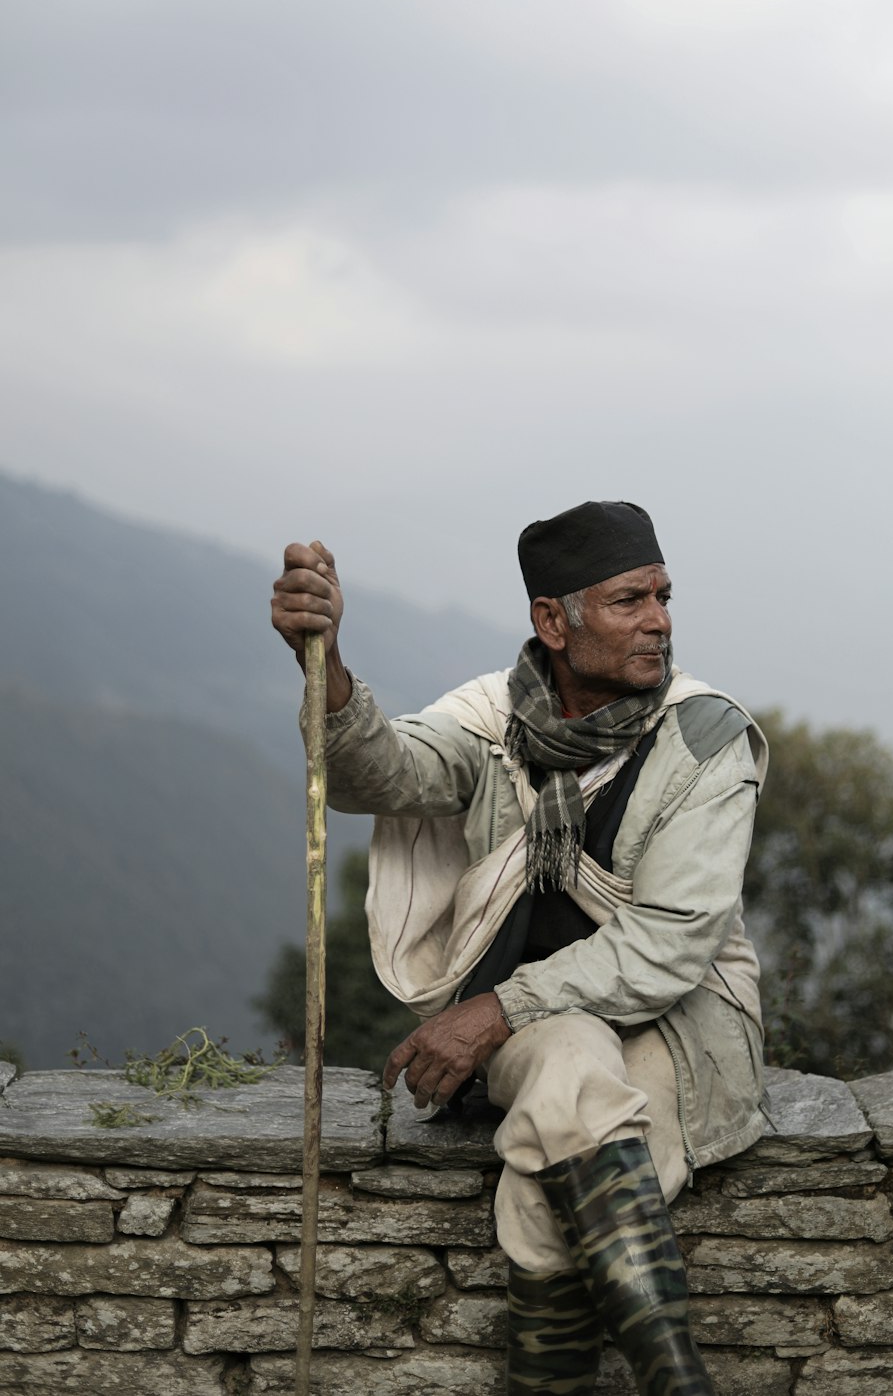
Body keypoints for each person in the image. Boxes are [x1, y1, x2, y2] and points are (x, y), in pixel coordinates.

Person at [271, 500, 769, 1396]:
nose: (659, 620)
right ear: (552, 621)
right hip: (541, 1027)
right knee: (570, 1056)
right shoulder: (494, 718)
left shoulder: (706, 740)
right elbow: (378, 773)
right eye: (628, 601)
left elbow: (670, 944)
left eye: (663, 595)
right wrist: (329, 665)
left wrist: (493, 1010)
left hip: (676, 1023)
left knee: (542, 1180)